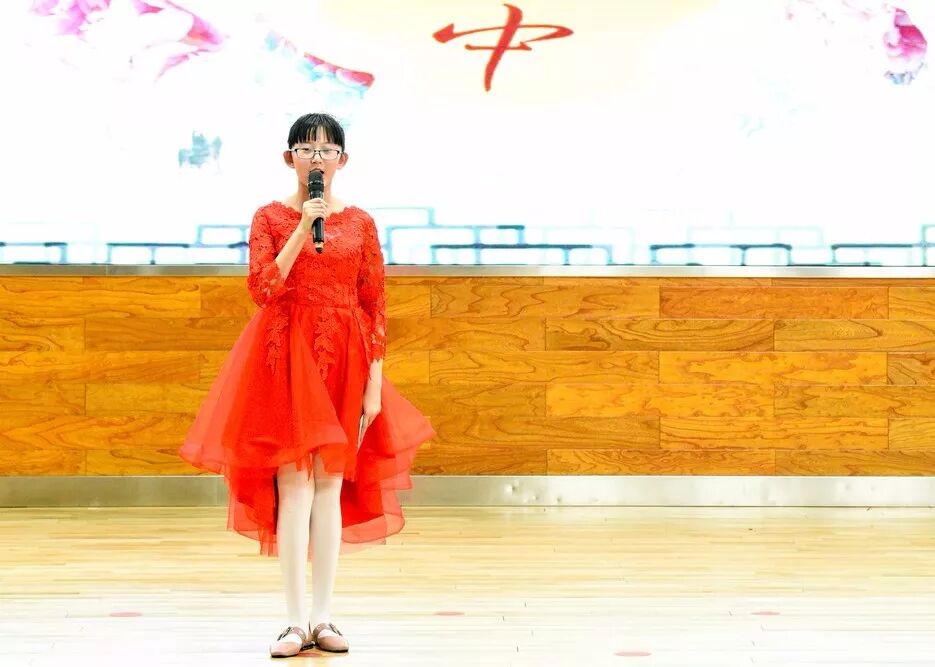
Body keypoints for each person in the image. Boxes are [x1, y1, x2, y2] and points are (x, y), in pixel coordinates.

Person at [179, 112, 435, 657]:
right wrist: (301, 228)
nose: (316, 158)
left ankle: (324, 616)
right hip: (285, 358)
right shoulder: (270, 217)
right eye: (306, 148)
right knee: (293, 485)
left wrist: (374, 383)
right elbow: (262, 287)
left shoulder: (361, 223)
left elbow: (374, 304)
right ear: (288, 157)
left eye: (326, 150)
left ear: (343, 159)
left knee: (328, 486)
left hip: (345, 358)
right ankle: (293, 622)